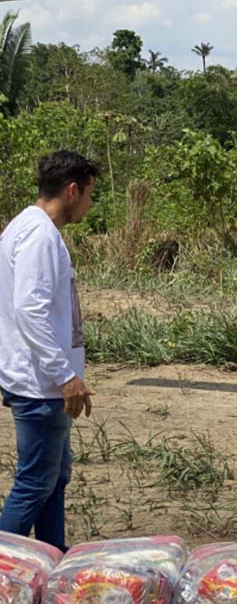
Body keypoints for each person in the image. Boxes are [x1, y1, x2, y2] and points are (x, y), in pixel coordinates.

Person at [0, 150, 98, 552]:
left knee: (53, 479)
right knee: (35, 481)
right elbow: (30, 308)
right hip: (41, 384)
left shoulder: (27, 227)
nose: (91, 204)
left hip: (42, 381)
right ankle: (7, 567)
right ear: (72, 190)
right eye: (91, 194)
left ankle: (51, 562)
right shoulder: (39, 236)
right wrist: (65, 376)